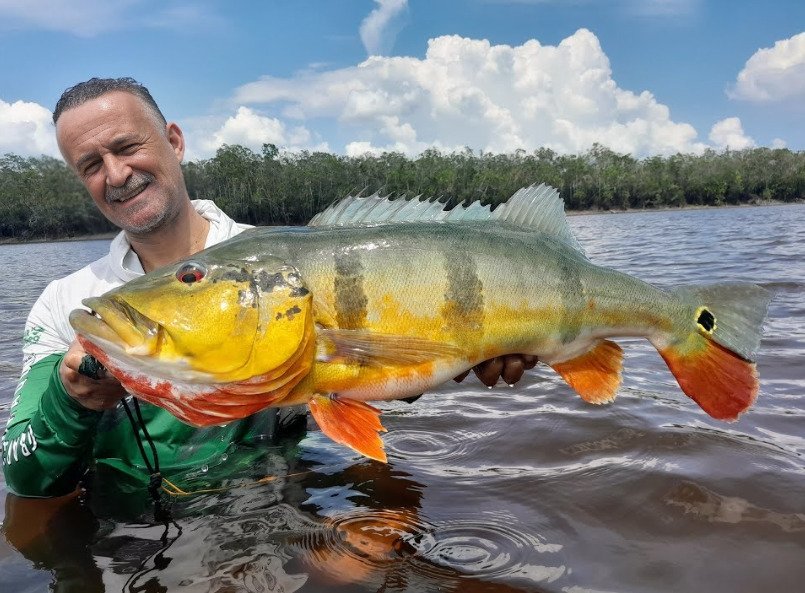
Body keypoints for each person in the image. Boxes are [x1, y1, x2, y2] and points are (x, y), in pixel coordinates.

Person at [1, 77, 536, 498]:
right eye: (91, 165)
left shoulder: (282, 263)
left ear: (174, 141)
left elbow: (373, 382)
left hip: (286, 500)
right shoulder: (67, 305)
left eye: (126, 146)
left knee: (376, 547)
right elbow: (24, 477)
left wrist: (460, 355)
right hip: (133, 533)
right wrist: (71, 400)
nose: (115, 174)